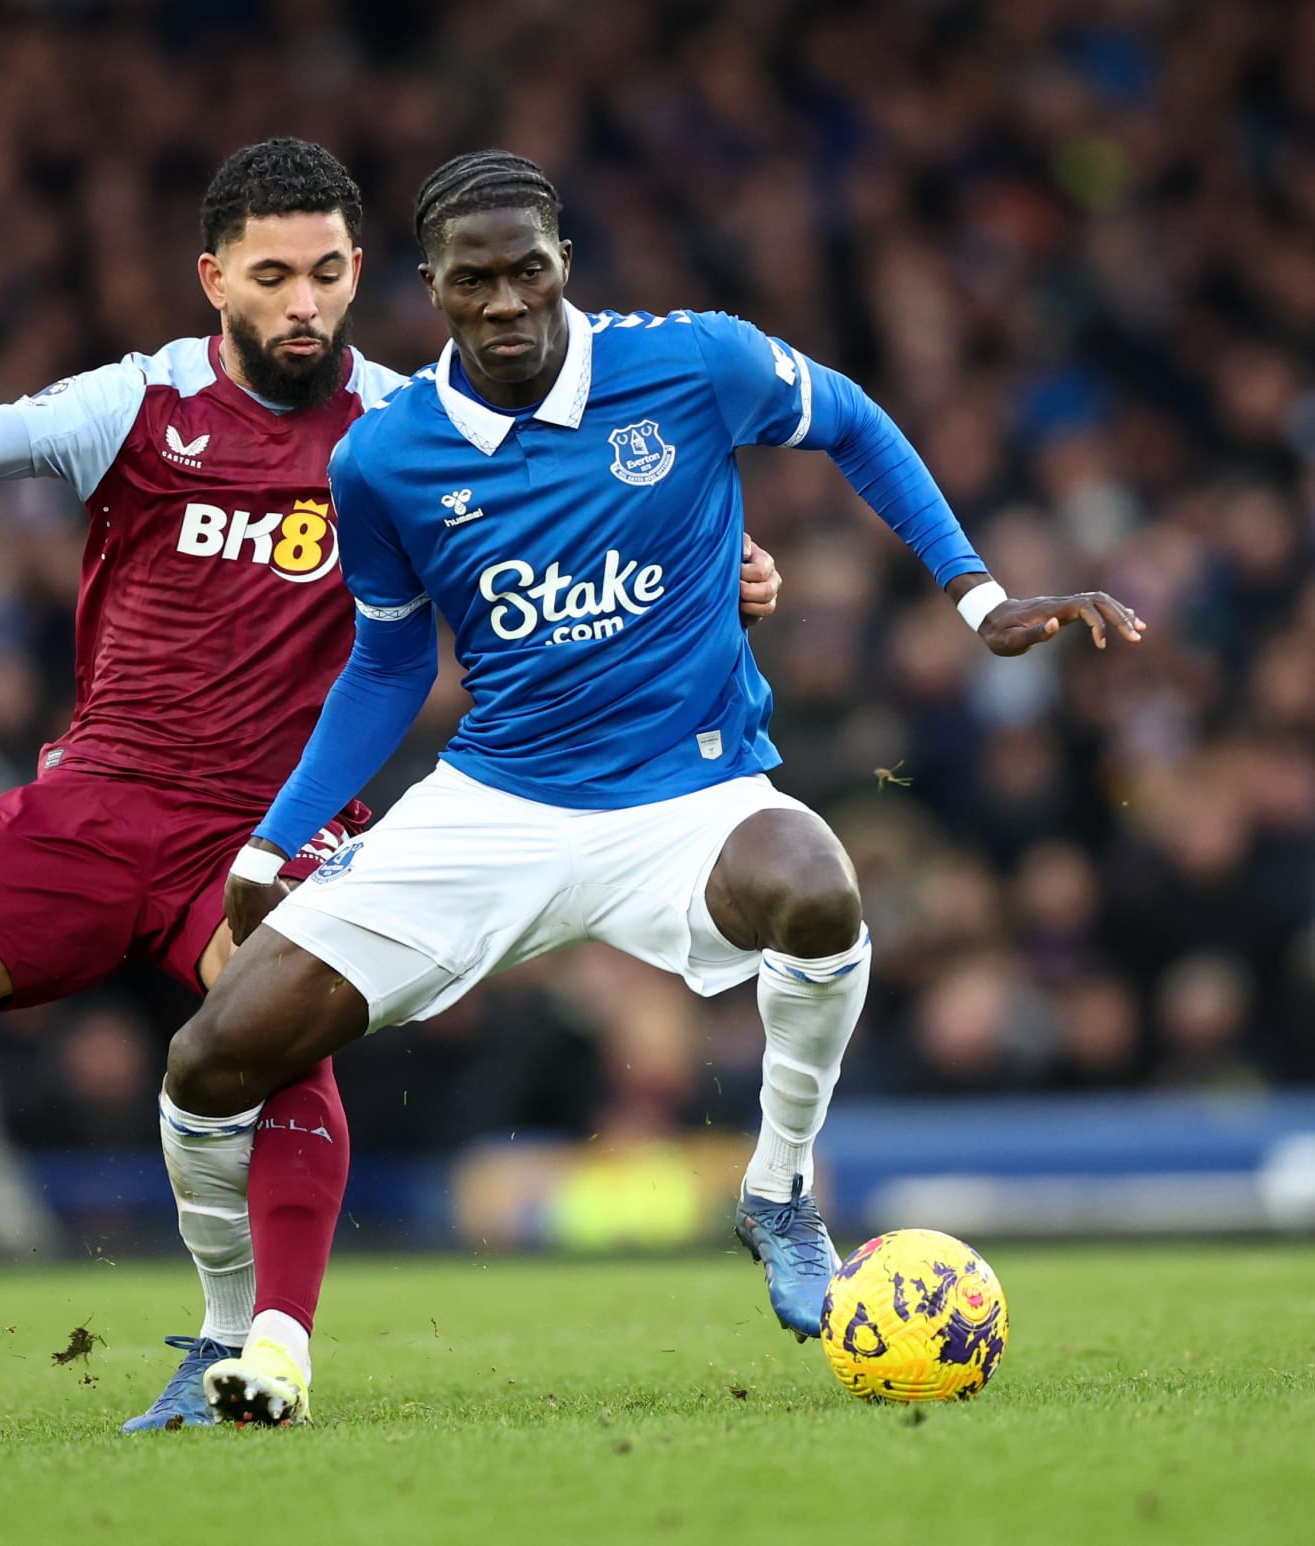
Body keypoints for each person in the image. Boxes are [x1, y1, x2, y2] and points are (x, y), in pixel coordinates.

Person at [0, 139, 784, 1438]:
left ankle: (271, 1345)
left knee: (278, 1031)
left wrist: (719, 561)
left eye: (328, 273)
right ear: (214, 278)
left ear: (360, 272)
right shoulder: (140, 407)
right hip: (99, 800)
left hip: (273, 824)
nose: (305, 304)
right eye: (274, 275)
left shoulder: (407, 428)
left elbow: (582, 515)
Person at [162, 150, 1146, 1425]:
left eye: (528, 270)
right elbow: (391, 660)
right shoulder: (383, 459)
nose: (506, 300)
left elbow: (849, 416)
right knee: (209, 1057)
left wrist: (977, 593)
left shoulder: (690, 362)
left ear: (564, 262)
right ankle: (227, 1344)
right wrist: (273, 841)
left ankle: (781, 1189)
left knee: (814, 882)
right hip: (496, 805)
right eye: (476, 280)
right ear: (430, 289)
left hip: (688, 798)